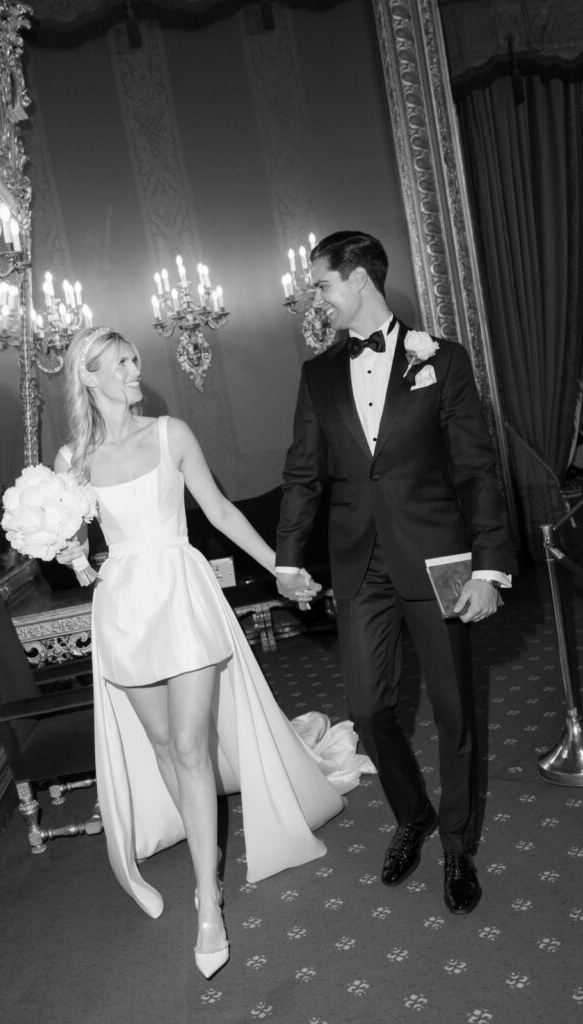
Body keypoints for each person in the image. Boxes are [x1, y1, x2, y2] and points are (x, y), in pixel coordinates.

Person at [54, 325, 373, 979]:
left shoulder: (170, 435)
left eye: (135, 359)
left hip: (181, 594)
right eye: (119, 363)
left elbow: (222, 513)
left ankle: (207, 896)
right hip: (123, 609)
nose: (134, 370)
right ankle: (204, 856)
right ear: (87, 376)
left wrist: (281, 568)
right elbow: (82, 549)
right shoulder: (72, 461)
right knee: (167, 747)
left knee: (193, 746)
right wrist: (72, 554)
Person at [275, 231, 517, 916]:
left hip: (438, 558)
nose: (313, 297)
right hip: (359, 565)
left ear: (357, 279)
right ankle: (412, 813)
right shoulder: (318, 373)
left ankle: (457, 846)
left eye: (319, 284)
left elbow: (475, 469)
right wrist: (288, 556)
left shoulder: (443, 358)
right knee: (368, 708)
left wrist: (490, 568)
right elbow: (301, 472)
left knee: (452, 711)